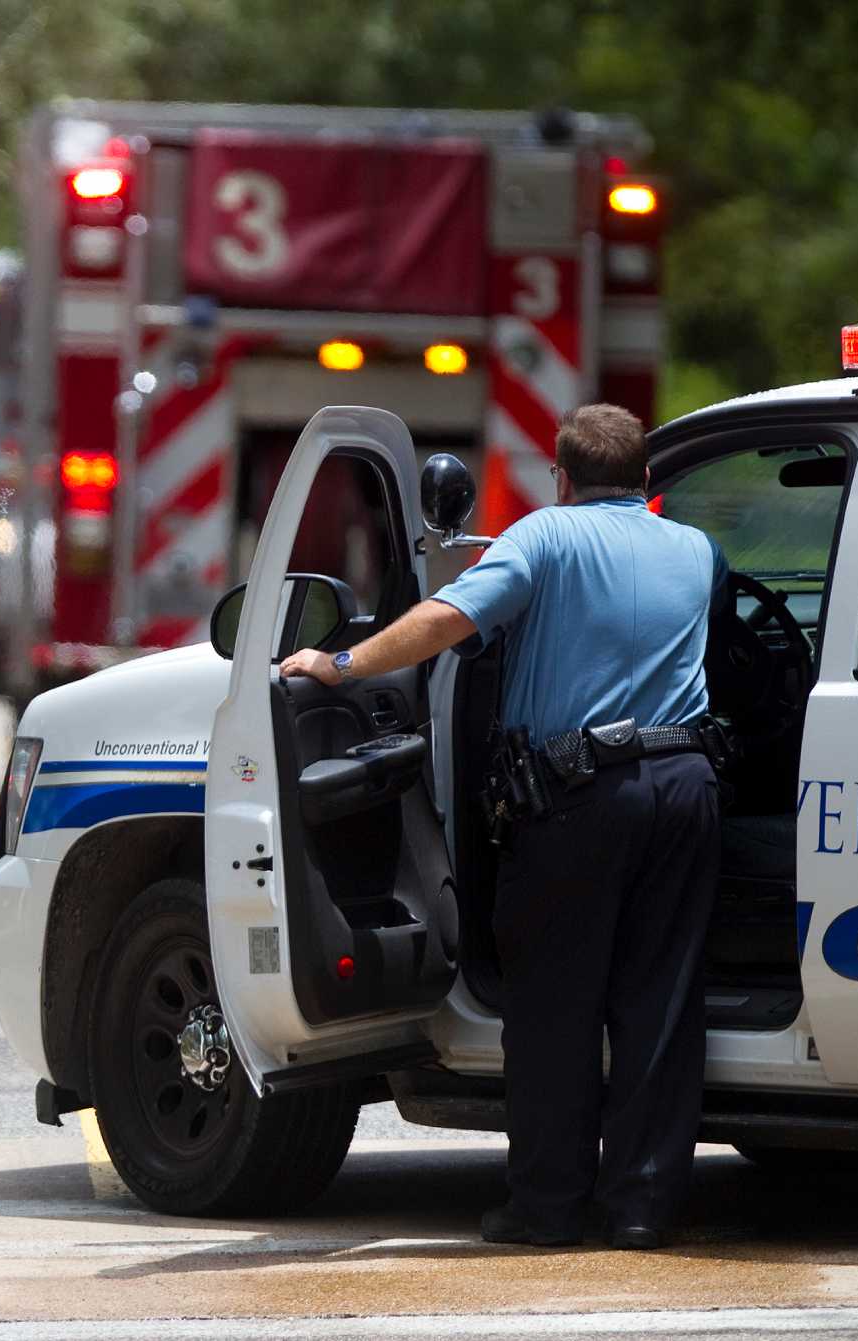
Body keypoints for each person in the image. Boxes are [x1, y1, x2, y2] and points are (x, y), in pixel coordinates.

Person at [281, 404, 724, 1250]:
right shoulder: (696, 550)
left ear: (562, 477)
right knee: (660, 1005)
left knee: (556, 1006)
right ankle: (640, 1208)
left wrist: (339, 664)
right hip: (685, 785)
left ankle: (548, 1206)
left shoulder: (544, 538)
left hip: (580, 794)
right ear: (646, 482)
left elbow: (447, 620)